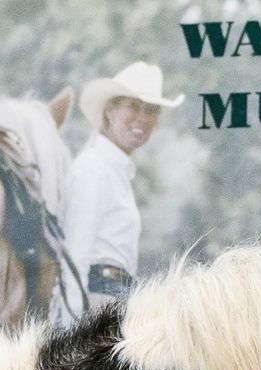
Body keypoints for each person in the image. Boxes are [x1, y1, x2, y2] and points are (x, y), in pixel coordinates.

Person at [57, 60, 183, 316]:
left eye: (150, 111)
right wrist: (69, 338)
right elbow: (74, 257)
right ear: (110, 112)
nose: (141, 118)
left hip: (118, 297)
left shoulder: (117, 172)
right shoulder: (93, 169)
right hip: (95, 298)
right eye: (133, 107)